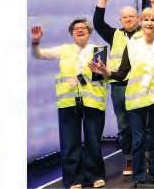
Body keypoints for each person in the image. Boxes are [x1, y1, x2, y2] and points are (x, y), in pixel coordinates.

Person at [90, 7, 154, 186]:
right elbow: (122, 73)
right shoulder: (131, 45)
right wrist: (106, 72)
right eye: (146, 19)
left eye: (153, 20)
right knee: (138, 140)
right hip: (136, 100)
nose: (149, 23)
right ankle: (139, 177)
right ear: (141, 22)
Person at [31, 19, 108, 189]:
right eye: (76, 29)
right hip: (68, 101)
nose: (79, 30)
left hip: (93, 101)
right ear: (71, 33)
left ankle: (95, 175)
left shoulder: (98, 50)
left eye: (83, 28)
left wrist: (99, 72)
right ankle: (73, 179)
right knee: (70, 142)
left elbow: (103, 76)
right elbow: (39, 54)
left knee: (93, 141)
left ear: (89, 32)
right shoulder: (64, 50)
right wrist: (35, 42)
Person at [92, 0, 154, 176]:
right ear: (120, 20)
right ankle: (130, 159)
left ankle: (144, 158)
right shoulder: (115, 35)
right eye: (125, 17)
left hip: (142, 85)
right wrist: (102, 0)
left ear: (138, 18)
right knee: (124, 126)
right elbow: (98, 24)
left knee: (144, 125)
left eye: (132, 16)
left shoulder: (146, 33)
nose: (128, 19)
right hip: (119, 86)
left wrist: (153, 0)